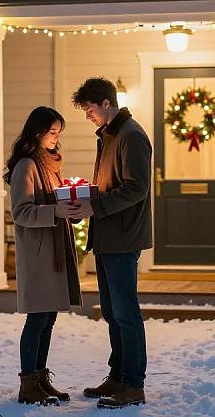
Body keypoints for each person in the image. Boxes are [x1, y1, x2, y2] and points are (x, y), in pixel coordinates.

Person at [72, 77, 152, 409]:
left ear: (106, 103)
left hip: (122, 236)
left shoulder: (131, 136)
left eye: (90, 109)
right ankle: (117, 376)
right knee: (111, 312)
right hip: (107, 237)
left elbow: (136, 188)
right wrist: (85, 198)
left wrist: (96, 206)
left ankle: (133, 384)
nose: (88, 115)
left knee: (125, 312)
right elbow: (111, 183)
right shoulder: (110, 136)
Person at [4, 106, 83, 406]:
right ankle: (28, 384)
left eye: (58, 133)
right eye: (52, 132)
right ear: (37, 133)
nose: (55, 138)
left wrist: (73, 207)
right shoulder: (26, 165)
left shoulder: (50, 165)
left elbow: (57, 200)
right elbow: (22, 212)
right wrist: (56, 211)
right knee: (37, 319)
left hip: (54, 251)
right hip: (38, 255)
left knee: (48, 318)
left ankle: (39, 379)